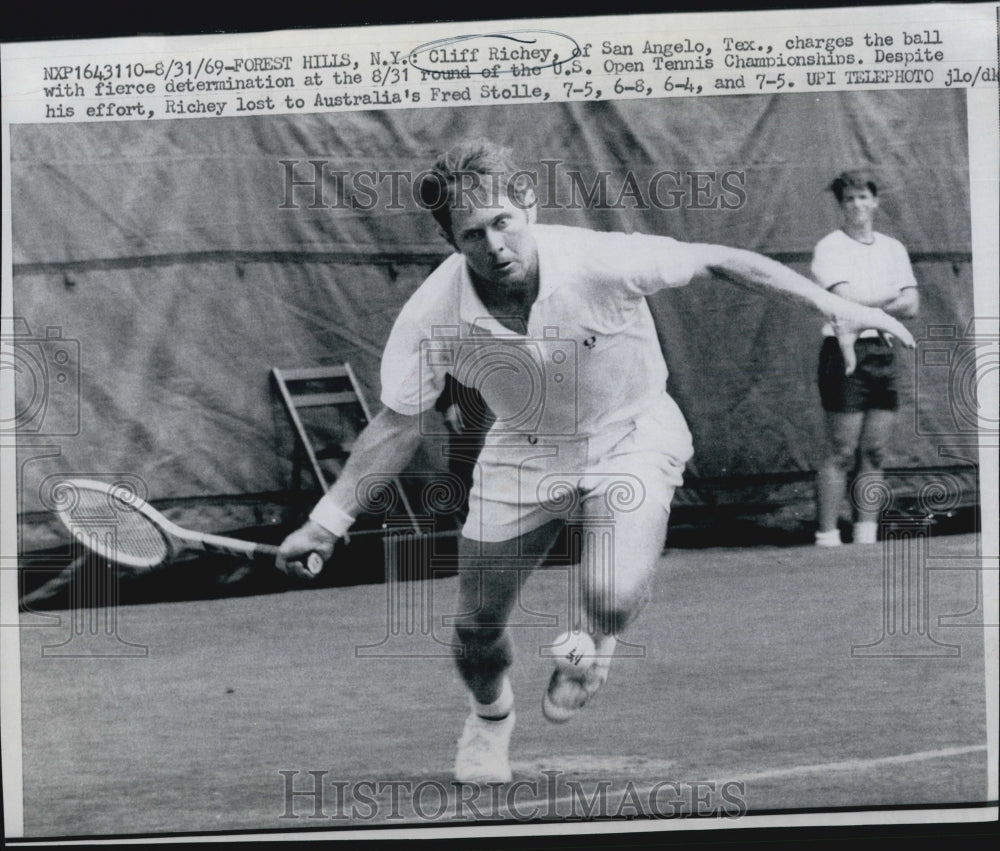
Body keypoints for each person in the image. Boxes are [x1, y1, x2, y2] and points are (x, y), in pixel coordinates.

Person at [277, 141, 915, 784]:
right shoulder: (432, 314)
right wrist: (327, 522)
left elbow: (720, 259)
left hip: (631, 432)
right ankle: (490, 719)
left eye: (503, 221)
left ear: (527, 205)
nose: (495, 244)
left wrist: (837, 306)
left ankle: (594, 640)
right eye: (473, 234)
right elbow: (400, 422)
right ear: (451, 240)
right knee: (473, 632)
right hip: (524, 450)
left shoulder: (600, 258)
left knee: (608, 596)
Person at [811, 171, 919, 547]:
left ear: (875, 202)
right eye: (849, 199)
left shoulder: (893, 248)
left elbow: (913, 304)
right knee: (841, 451)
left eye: (863, 197)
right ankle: (826, 538)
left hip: (884, 352)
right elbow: (843, 300)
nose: (857, 205)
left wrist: (867, 301)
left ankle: (866, 539)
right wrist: (889, 296)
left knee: (874, 451)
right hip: (843, 353)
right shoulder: (829, 247)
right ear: (841, 207)